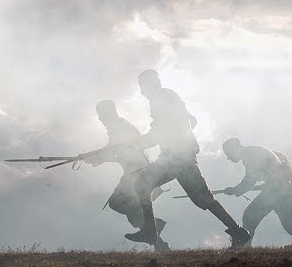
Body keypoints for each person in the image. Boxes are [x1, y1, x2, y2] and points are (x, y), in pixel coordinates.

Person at [125, 69, 250, 248]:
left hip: (175, 158)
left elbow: (159, 132)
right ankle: (239, 232)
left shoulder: (160, 99)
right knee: (204, 200)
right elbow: (191, 119)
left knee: (143, 184)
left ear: (151, 84)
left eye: (142, 86)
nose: (141, 91)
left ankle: (151, 231)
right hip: (179, 157)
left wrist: (137, 144)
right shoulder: (168, 97)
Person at [84, 100, 170, 251]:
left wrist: (97, 158)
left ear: (109, 113)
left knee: (120, 204)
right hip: (133, 173)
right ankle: (158, 241)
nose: (100, 119)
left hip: (137, 174)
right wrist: (94, 157)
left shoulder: (119, 127)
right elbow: (113, 150)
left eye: (101, 115)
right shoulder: (117, 127)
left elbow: (117, 152)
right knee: (132, 210)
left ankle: (154, 227)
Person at [222, 137, 292, 247]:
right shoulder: (254, 151)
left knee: (250, 215)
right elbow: (279, 159)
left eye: (229, 154)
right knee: (290, 224)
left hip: (275, 191)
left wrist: (235, 190)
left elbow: (249, 181)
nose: (228, 158)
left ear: (236, 147)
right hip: (280, 189)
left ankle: (243, 247)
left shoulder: (250, 156)